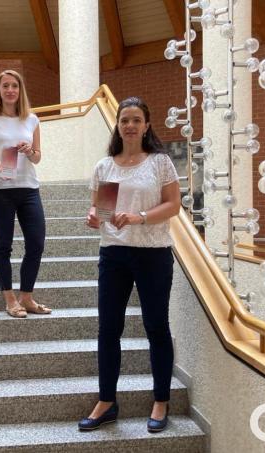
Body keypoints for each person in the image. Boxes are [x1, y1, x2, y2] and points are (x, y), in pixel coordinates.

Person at [79, 97, 181, 433]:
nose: (130, 125)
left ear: (147, 125)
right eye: (125, 120)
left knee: (156, 327)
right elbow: (101, 210)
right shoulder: (105, 166)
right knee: (108, 329)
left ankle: (161, 400)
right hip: (114, 253)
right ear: (118, 125)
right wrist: (95, 217)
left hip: (153, 254)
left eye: (136, 120)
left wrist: (140, 217)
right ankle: (107, 401)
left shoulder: (160, 163)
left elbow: (173, 206)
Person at [0, 69, 51, 318]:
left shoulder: (32, 120)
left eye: (14, 86)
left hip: (29, 189)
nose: (10, 90)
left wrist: (29, 151)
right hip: (0, 190)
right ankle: (10, 299)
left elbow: (37, 158)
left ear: (20, 90)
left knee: (36, 243)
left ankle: (26, 297)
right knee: (3, 246)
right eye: (5, 86)